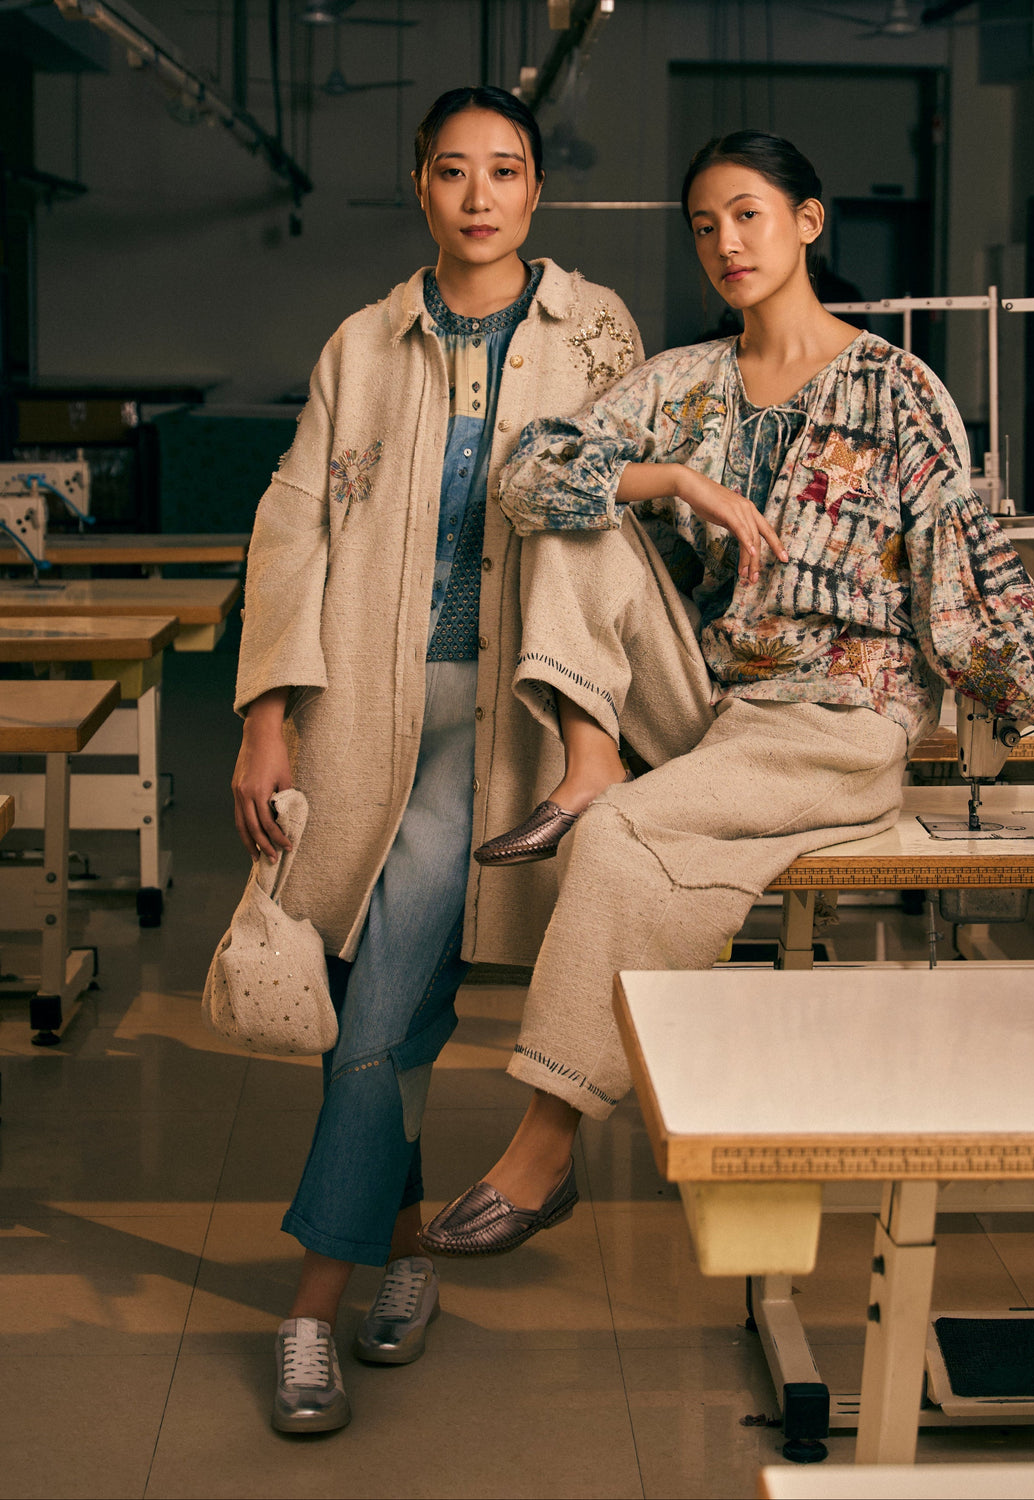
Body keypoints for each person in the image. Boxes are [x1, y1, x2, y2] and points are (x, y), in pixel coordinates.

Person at [418, 129, 1034, 1256]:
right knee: (570, 506)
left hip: (839, 715)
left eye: (748, 214)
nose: (726, 243)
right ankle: (588, 758)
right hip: (712, 702)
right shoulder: (685, 384)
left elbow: (972, 553)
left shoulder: (897, 387)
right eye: (704, 226)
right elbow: (526, 472)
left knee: (622, 845)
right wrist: (670, 475)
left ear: (807, 221)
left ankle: (542, 1151)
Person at [231, 84, 641, 1432]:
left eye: (505, 171)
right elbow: (295, 524)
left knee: (384, 1006)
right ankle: (382, 1265)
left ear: (537, 194)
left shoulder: (595, 332)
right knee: (380, 1005)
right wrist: (267, 711)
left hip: (518, 717)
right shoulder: (363, 344)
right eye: (454, 171)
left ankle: (316, 1301)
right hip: (371, 709)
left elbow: (627, 512)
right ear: (421, 187)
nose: (479, 194)